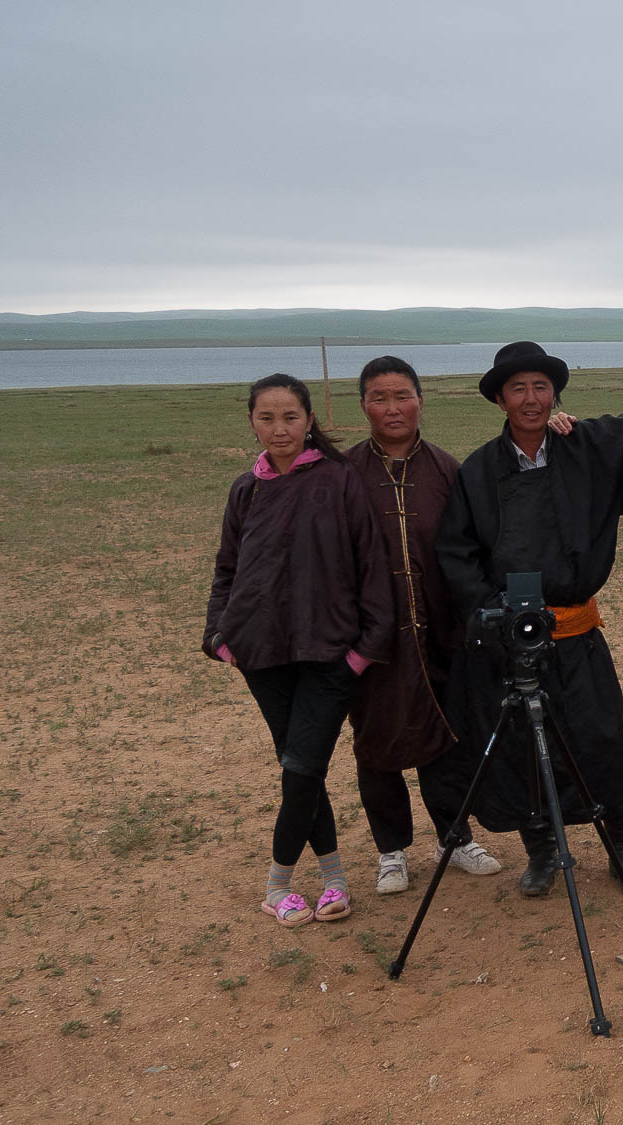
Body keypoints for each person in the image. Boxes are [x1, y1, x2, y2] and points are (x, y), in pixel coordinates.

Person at [427, 342, 623, 897]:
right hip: (512, 638)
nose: (531, 399)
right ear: (500, 398)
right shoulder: (478, 471)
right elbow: (456, 553)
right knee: (523, 744)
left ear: (556, 394)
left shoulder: (586, 449)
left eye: (541, 387)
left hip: (577, 632)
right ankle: (543, 850)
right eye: (518, 388)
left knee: (602, 740)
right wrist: (489, 612)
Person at [203, 372, 394, 927]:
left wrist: (362, 652)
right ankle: (333, 880)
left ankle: (277, 885)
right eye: (267, 417)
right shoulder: (247, 488)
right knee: (299, 770)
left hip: (330, 654)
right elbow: (227, 571)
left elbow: (372, 568)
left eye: (290, 417)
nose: (279, 428)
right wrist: (220, 637)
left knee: (302, 766)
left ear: (310, 420)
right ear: (252, 422)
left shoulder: (338, 480)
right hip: (260, 655)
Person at [344, 356, 502, 895]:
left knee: (449, 738)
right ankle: (390, 852)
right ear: (363, 404)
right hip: (371, 641)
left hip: (444, 634)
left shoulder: (445, 469)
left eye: (403, 395)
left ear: (420, 400)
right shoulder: (343, 475)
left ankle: (454, 837)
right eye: (380, 397)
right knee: (376, 741)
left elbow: (473, 548)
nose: (393, 408)